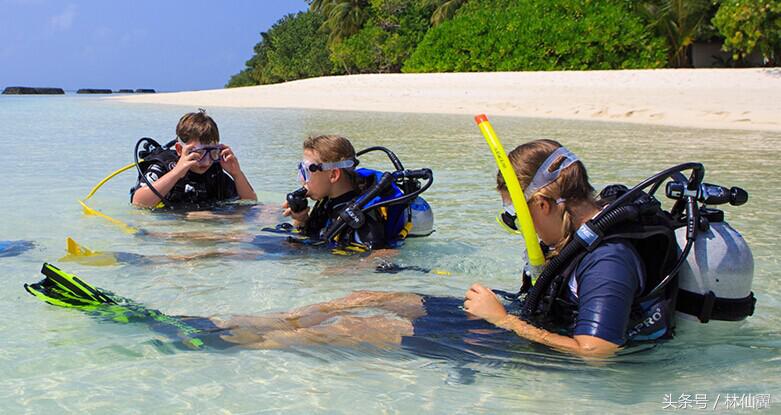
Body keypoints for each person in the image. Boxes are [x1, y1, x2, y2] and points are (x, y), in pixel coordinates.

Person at [27, 140, 673, 358]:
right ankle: (221, 322)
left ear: (548, 203)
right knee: (357, 297)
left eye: (514, 208)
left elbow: (597, 354)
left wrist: (505, 321)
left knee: (351, 328)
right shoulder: (578, 221)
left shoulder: (607, 260)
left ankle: (212, 341)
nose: (512, 220)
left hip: (508, 336)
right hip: (505, 315)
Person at [281, 135, 411, 253]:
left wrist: (341, 271)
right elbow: (313, 235)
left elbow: (384, 253)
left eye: (307, 171)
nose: (302, 179)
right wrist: (301, 219)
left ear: (333, 175)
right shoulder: (327, 201)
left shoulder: (361, 215)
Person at [130, 110, 257, 209]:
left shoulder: (215, 172)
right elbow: (138, 203)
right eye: (198, 153)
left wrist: (237, 174)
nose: (206, 161)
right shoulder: (164, 167)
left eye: (213, 152)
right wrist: (176, 172)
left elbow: (250, 203)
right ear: (180, 149)